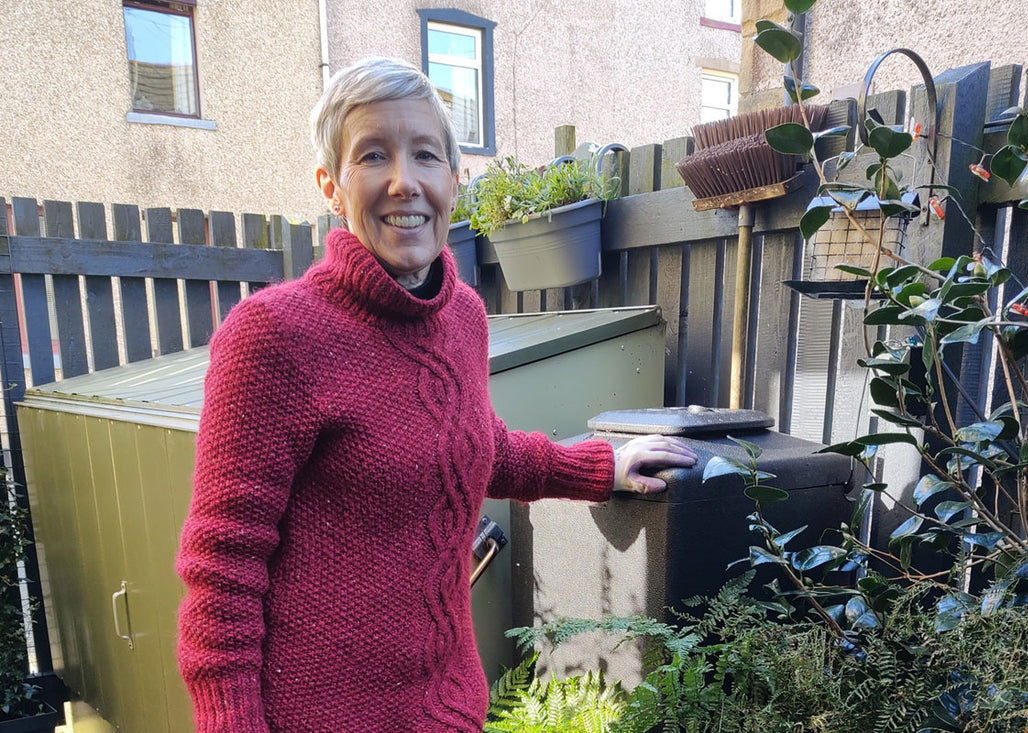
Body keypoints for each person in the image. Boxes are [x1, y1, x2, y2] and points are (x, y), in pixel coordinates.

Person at [175, 56, 697, 733]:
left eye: (425, 154)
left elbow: (471, 447)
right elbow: (222, 565)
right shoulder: (273, 337)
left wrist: (602, 466)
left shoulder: (463, 319)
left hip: (445, 709)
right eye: (372, 155)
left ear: (455, 180)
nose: (404, 181)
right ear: (331, 186)